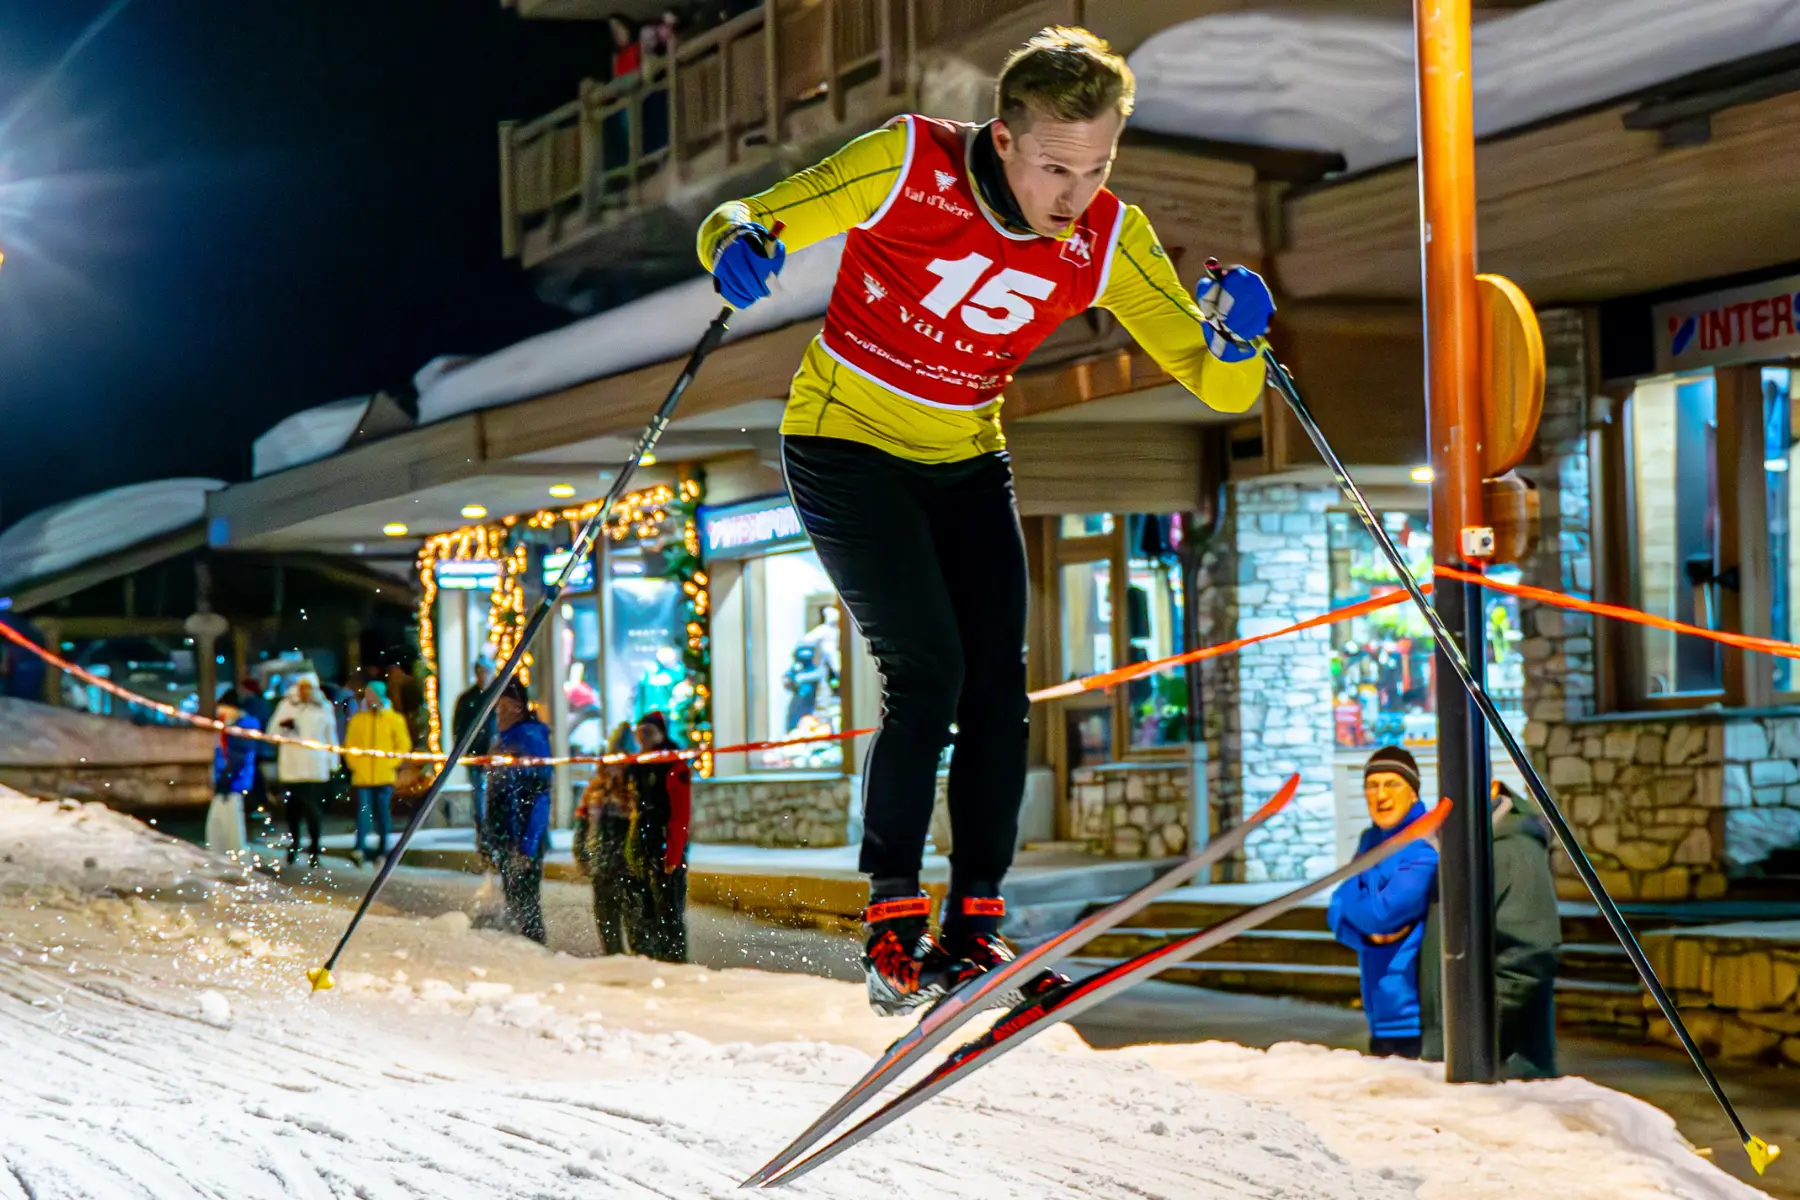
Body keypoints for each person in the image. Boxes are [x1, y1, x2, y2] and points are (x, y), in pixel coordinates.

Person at [697, 26, 1274, 1013]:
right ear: (1003, 141)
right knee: (930, 670)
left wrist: (1243, 337)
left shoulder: (1108, 237)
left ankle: (976, 923)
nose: (1075, 195)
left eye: (1097, 168)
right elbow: (748, 214)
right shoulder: (909, 164)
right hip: (845, 441)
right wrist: (737, 245)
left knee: (1001, 687)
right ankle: (891, 920)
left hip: (964, 453)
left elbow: (1218, 387)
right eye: (1056, 167)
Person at [1419, 780, 1563, 1078]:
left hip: (1502, 1070)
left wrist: (1473, 1034)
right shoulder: (1468, 847)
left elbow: (1528, 952)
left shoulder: (1513, 848)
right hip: (1470, 1061)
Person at [1327, 746, 1440, 1058]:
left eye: (1392, 784)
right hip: (1380, 1012)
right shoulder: (1370, 840)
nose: (1380, 795)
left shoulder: (1425, 845)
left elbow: (1381, 914)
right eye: (1372, 786)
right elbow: (1335, 912)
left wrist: (1355, 897)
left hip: (1415, 1017)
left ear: (1413, 793)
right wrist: (1365, 936)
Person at [490, 678, 554, 944]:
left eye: (502, 706)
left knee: (526, 902)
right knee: (515, 899)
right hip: (508, 834)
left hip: (522, 835)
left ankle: (534, 951)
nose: (497, 712)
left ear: (516, 706)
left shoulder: (528, 738)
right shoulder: (506, 738)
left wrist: (527, 845)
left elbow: (540, 795)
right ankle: (523, 948)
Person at [575, 723, 647, 955]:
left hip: (628, 866)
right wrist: (581, 853)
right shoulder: (595, 788)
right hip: (602, 863)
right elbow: (583, 822)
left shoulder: (634, 787)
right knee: (607, 920)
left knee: (635, 921)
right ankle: (614, 961)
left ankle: (639, 964)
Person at [626, 711, 691, 963]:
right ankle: (649, 958)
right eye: (640, 732)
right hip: (645, 843)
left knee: (669, 909)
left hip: (665, 845)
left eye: (649, 732)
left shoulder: (672, 763)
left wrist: (673, 853)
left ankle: (673, 960)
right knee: (645, 908)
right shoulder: (639, 764)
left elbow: (680, 813)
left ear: (661, 734)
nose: (643, 738)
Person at [268, 670, 341, 867]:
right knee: (293, 810)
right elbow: (271, 731)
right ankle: (294, 846)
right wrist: (284, 727)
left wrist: (333, 762)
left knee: (312, 809)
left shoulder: (323, 707)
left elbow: (330, 735)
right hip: (292, 766)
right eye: (302, 688)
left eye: (309, 688)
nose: (305, 692)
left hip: (314, 766)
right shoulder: (287, 705)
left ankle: (315, 850)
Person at [344, 681, 413, 866]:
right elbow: (350, 746)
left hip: (384, 776)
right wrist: (356, 765)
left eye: (372, 694)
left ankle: (383, 850)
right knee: (363, 813)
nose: (369, 698)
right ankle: (360, 848)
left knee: (383, 813)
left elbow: (403, 746)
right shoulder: (358, 720)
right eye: (367, 694)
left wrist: (390, 763)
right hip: (363, 777)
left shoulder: (394, 719)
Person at [207, 689, 261, 856]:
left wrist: (227, 776)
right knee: (217, 823)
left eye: (224, 707)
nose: (220, 712)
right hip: (225, 780)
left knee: (233, 826)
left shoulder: (245, 726)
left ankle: (237, 858)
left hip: (235, 782)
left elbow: (239, 756)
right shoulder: (226, 725)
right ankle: (219, 854)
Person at [453, 658, 499, 836]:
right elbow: (459, 726)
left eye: (486, 671)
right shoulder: (467, 699)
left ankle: (493, 825)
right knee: (478, 789)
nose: (483, 676)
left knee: (494, 789)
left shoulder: (498, 695)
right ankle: (482, 827)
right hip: (475, 751)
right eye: (480, 671)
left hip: (495, 752)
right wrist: (461, 749)